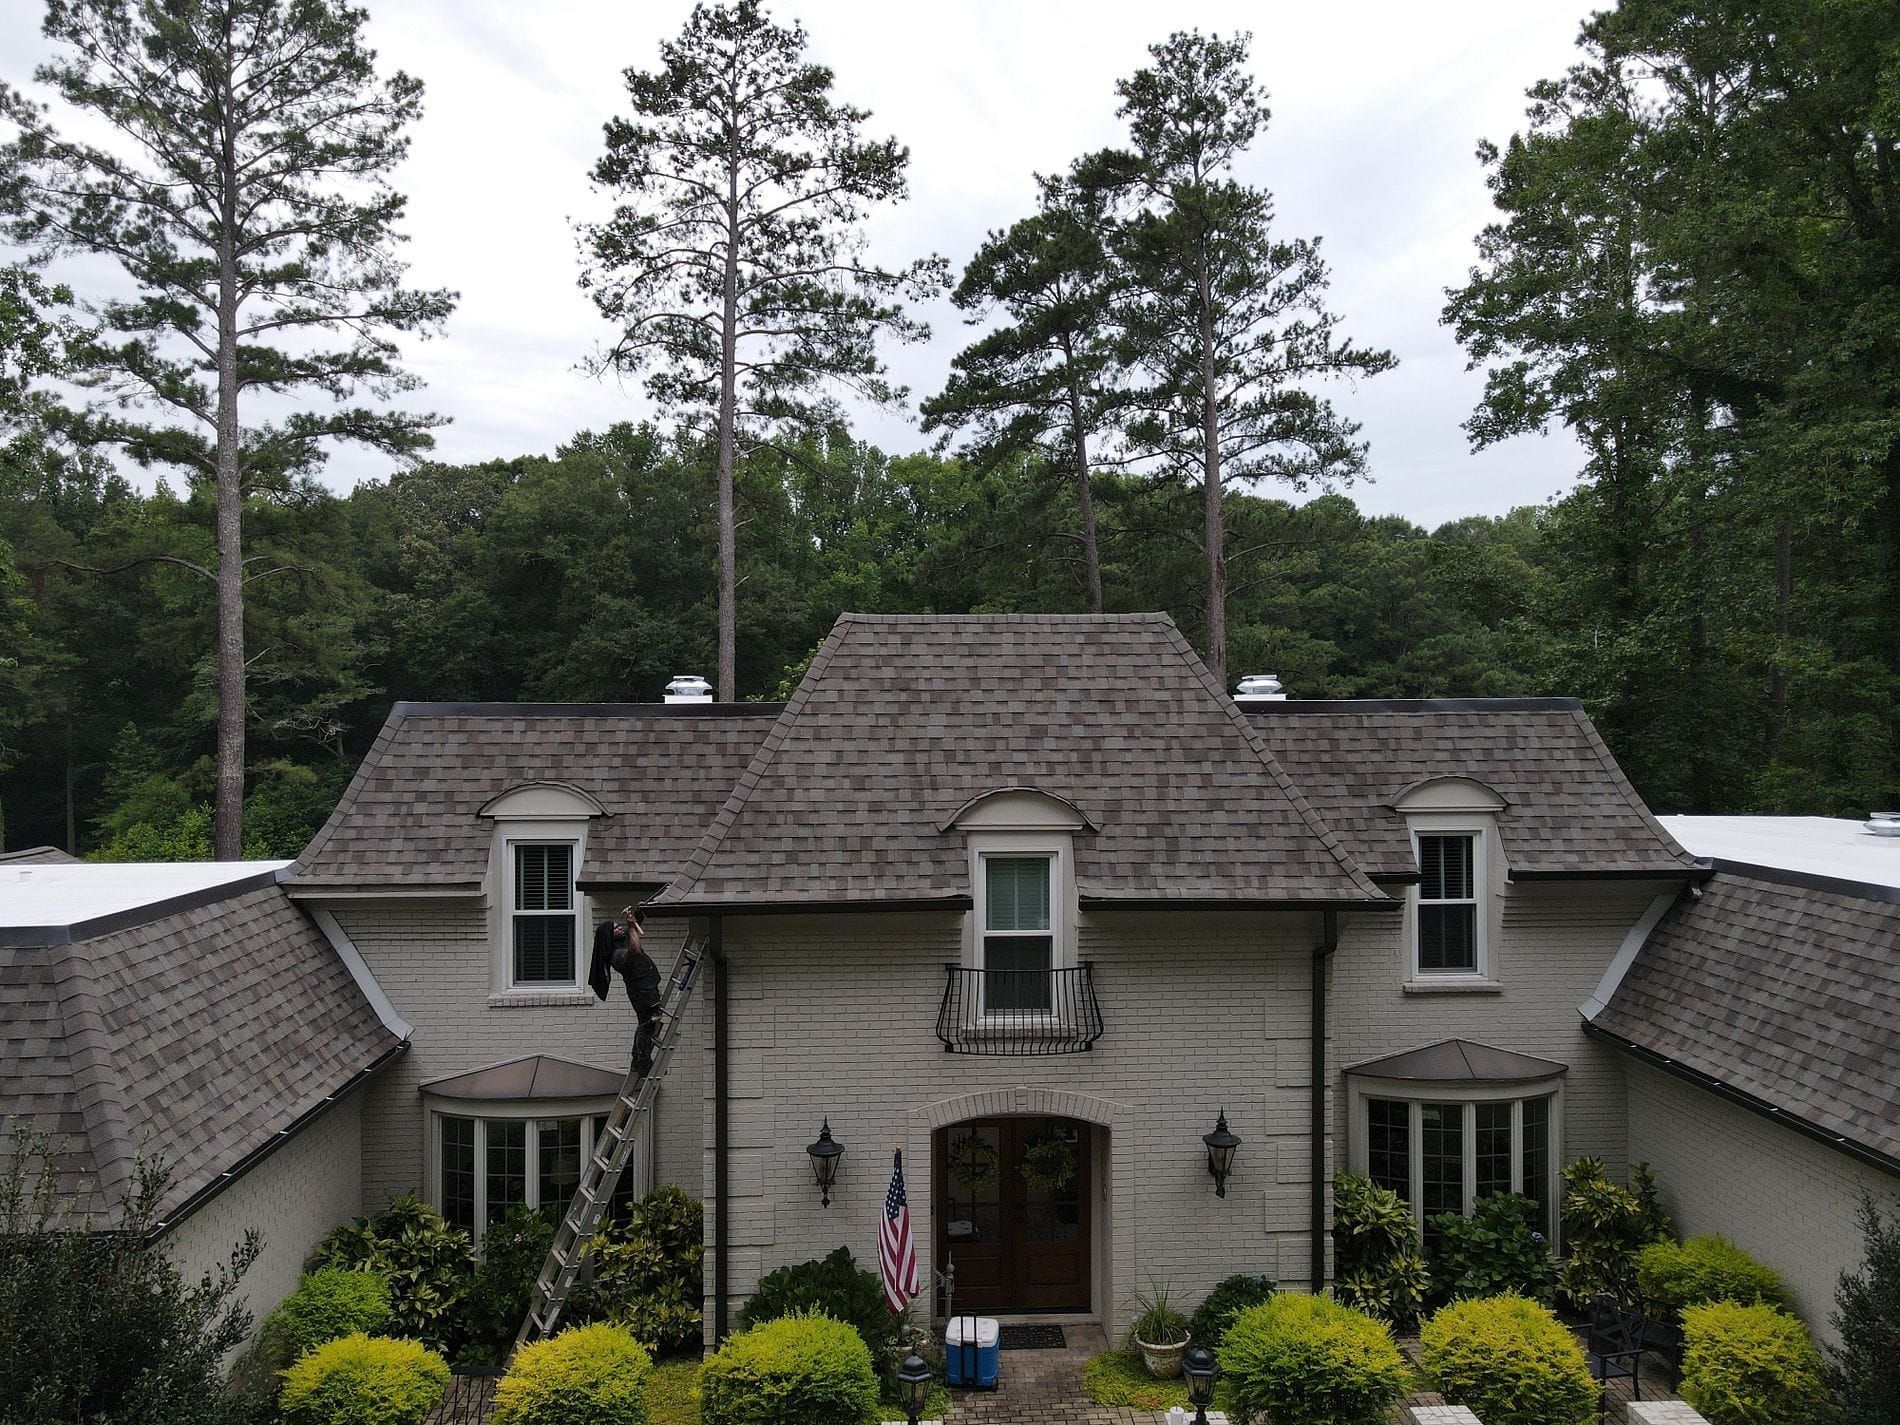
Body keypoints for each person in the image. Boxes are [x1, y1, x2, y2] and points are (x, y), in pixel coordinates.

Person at [587, 905, 665, 1074]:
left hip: (645, 992)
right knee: (648, 1026)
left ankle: (637, 1061)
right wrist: (631, 927)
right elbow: (635, 949)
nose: (620, 928)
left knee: (645, 1025)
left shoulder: (623, 941)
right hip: (644, 995)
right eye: (616, 928)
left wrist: (638, 913)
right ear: (609, 936)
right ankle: (644, 1063)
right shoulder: (617, 955)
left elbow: (634, 929)